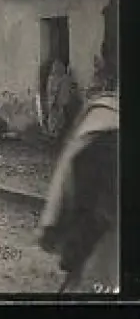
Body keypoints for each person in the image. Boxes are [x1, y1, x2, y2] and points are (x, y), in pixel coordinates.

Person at [39, 56, 118, 294]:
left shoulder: (100, 127)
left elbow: (95, 209)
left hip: (106, 257)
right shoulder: (103, 123)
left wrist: (71, 251)